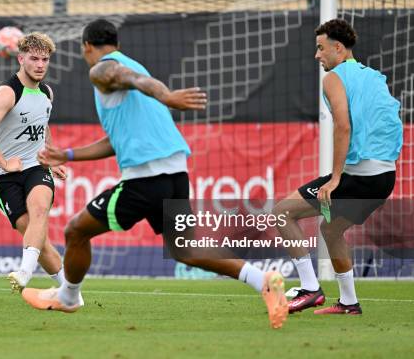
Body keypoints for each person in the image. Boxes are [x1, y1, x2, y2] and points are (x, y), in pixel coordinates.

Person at [21, 19, 289, 329]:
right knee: (185, 250)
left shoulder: (103, 69)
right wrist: (68, 155)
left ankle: (68, 297)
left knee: (75, 231)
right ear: (116, 43)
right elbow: (115, 139)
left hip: (147, 178)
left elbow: (129, 78)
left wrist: (168, 97)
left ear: (87, 48)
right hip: (175, 173)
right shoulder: (133, 65)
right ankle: (263, 281)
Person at [272, 18, 402, 315]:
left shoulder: (333, 78)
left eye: (321, 48)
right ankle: (348, 302)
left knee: (281, 213)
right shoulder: (374, 77)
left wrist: (336, 178)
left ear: (339, 48)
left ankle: (309, 289)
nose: (317, 55)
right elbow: (390, 123)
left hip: (359, 175)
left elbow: (342, 126)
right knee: (330, 230)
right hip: (383, 177)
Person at [0, 32, 77, 298]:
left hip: (35, 167)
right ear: (20, 59)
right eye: (34, 58)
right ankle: (71, 292)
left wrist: (51, 160)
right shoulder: (7, 92)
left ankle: (24, 273)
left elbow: (43, 126)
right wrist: (4, 162)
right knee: (37, 237)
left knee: (40, 209)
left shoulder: (46, 92)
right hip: (5, 176)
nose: (40, 65)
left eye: (45, 59)